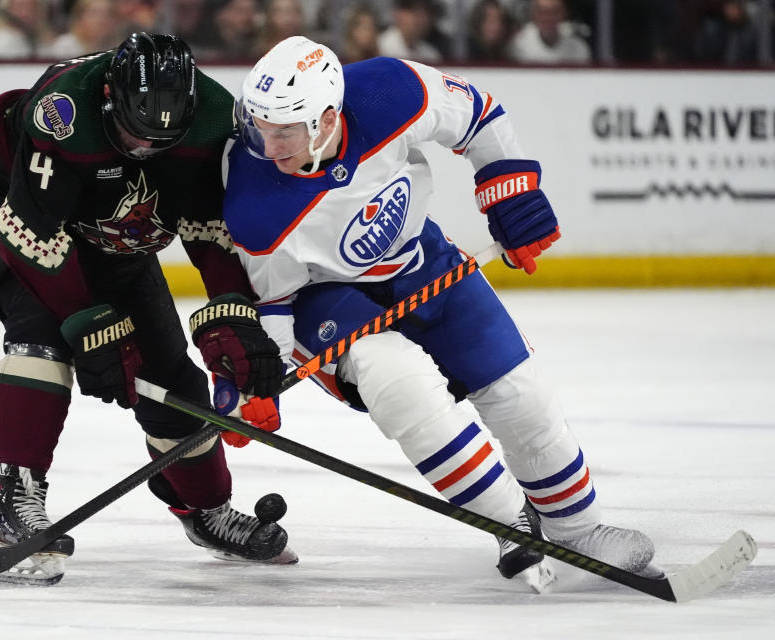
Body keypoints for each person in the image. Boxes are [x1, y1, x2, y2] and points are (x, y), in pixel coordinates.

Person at [195, 35, 657, 590]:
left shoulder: (391, 89)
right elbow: (273, 302)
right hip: (326, 298)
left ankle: (578, 528)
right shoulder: (254, 202)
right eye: (259, 127)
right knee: (400, 382)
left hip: (421, 258)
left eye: (285, 131)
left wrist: (507, 190)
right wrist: (254, 382)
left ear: (325, 118)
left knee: (519, 389)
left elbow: (478, 116)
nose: (268, 147)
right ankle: (509, 521)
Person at [0, 32, 296, 583]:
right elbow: (30, 235)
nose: (148, 147)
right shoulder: (64, 111)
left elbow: (211, 236)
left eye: (163, 139)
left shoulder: (216, 122)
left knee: (169, 372)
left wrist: (232, 315)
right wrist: (87, 321)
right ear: (110, 95)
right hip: (6, 210)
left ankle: (204, 508)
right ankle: (13, 499)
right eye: (135, 132)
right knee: (42, 331)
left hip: (114, 238)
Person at [507, 0, 591, 64]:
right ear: (533, 14)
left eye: (554, 12)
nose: (548, 17)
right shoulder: (517, 46)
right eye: (542, 11)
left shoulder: (578, 48)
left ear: (564, 14)